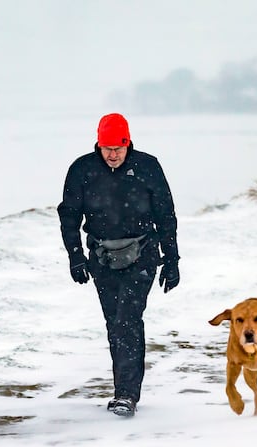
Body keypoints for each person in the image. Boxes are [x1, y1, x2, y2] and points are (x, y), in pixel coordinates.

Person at [57, 113, 180, 418]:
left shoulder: (147, 167)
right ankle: (122, 389)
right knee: (115, 324)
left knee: (128, 319)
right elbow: (69, 216)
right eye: (107, 148)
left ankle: (127, 395)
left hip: (143, 255)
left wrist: (172, 260)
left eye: (119, 149)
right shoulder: (82, 170)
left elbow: (166, 214)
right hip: (102, 259)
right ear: (98, 144)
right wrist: (75, 257)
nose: (113, 155)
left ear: (128, 143)